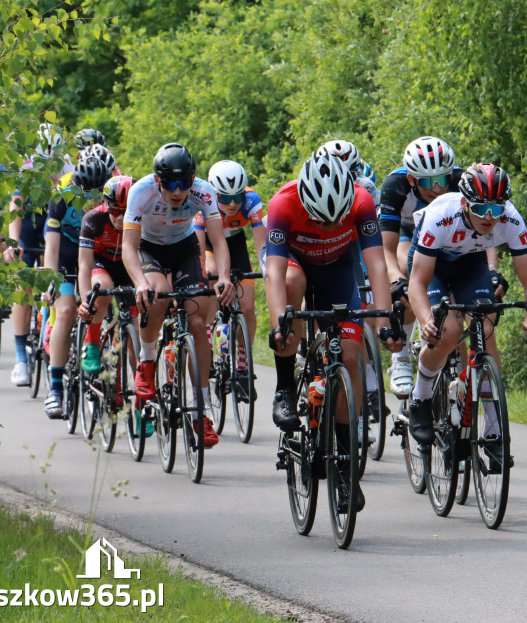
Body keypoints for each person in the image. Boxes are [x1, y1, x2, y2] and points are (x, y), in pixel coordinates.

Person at [264, 152, 402, 513]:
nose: (326, 227)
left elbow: (375, 266)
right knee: (292, 284)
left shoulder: (362, 201)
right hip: (295, 264)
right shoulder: (283, 204)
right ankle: (284, 386)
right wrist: (280, 322)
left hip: (338, 269)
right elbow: (275, 274)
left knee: (350, 358)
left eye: (335, 220)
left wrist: (384, 320)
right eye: (319, 220)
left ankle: (345, 467)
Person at [405, 163, 527, 450]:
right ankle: (419, 397)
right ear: (464, 203)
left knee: (484, 324)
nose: (489, 218)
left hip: (472, 264)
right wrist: (426, 320)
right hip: (435, 266)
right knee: (447, 333)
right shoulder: (441, 217)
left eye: (496, 210)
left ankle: (494, 428)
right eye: (481, 209)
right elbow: (417, 282)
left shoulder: (511, 220)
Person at [122, 143, 235, 448]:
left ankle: (201, 409)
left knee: (198, 320)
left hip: (184, 246)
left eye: (183, 184)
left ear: (192, 180)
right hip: (149, 247)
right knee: (157, 294)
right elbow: (128, 248)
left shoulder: (203, 191)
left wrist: (224, 276)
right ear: (158, 181)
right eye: (170, 185)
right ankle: (146, 363)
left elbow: (219, 242)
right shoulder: (141, 192)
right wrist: (139, 282)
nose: (177, 191)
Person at [377, 136, 466, 397]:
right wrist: (395, 280)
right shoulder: (395, 185)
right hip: (409, 233)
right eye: (428, 181)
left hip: (448, 239)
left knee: (455, 301)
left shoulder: (460, 182)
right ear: (412, 179)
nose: (437, 188)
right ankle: (401, 358)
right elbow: (385, 249)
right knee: (408, 273)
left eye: (443, 179)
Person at [41, 144, 116, 418]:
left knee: (104, 305)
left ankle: (106, 373)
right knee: (66, 311)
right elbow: (51, 246)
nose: (90, 198)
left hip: (96, 252)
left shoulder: (115, 191)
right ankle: (56, 388)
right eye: (86, 190)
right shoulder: (62, 194)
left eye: (97, 192)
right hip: (66, 251)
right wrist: (51, 279)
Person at [5, 123, 74, 387]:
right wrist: (13, 242)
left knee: (53, 268)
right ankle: (21, 358)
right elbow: (16, 206)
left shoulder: (70, 167)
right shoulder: (26, 166)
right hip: (31, 221)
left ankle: (52, 324)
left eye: (53, 162)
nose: (50, 169)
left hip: (57, 220)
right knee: (23, 281)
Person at [193, 160, 265, 386]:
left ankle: (243, 361)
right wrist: (203, 275)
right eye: (224, 198)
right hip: (208, 245)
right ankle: (213, 333)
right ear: (215, 194)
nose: (232, 203)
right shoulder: (202, 201)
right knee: (212, 272)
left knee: (248, 306)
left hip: (235, 244)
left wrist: (267, 269)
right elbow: (199, 252)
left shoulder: (251, 200)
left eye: (237, 197)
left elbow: (262, 244)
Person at [77, 175, 136, 377]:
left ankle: (139, 398)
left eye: (126, 211)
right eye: (115, 210)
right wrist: (86, 300)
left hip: (128, 266)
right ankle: (92, 344)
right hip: (101, 263)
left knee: (137, 330)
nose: (120, 218)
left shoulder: (143, 220)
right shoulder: (93, 220)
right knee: (101, 289)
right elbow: (84, 265)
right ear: (106, 204)